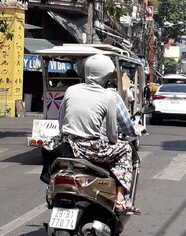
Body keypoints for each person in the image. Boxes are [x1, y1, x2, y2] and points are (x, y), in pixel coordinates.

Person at [43, 53, 138, 212]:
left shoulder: (71, 90)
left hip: (66, 145)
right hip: (91, 148)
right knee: (126, 149)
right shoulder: (109, 95)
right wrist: (112, 144)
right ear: (105, 75)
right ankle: (121, 198)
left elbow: (61, 123)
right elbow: (112, 135)